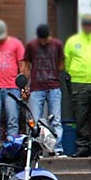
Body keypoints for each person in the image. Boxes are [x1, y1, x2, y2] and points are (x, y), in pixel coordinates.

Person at [65, 14, 91, 157]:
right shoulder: (73, 41)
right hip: (79, 82)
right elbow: (67, 61)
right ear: (81, 25)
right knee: (80, 116)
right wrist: (74, 74)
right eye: (85, 24)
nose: (88, 26)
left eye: (90, 24)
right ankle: (82, 146)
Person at [25, 23, 65, 157]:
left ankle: (57, 148)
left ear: (49, 35)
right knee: (36, 121)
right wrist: (26, 83)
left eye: (45, 39)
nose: (43, 42)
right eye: (41, 39)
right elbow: (27, 63)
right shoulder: (31, 45)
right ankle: (38, 149)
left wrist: (56, 71)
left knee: (56, 119)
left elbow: (61, 62)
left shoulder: (57, 44)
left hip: (53, 86)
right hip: (37, 86)